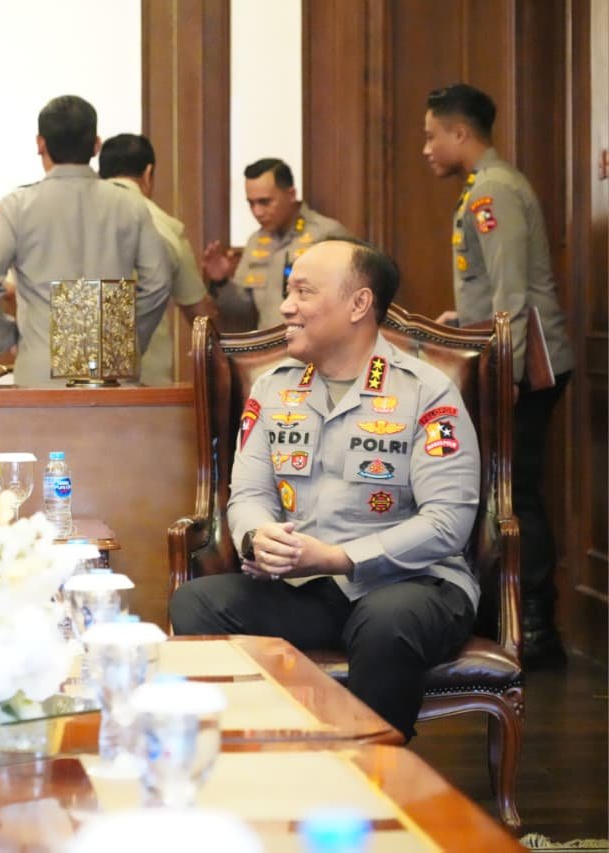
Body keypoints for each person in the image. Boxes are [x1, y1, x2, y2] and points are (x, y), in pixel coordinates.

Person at [170, 238, 479, 743]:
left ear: (359, 304)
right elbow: (248, 495)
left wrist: (338, 558)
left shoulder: (425, 391)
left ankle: (374, 772)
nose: (286, 307)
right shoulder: (274, 387)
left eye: (304, 292)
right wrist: (258, 538)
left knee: (386, 622)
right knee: (196, 603)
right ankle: (252, 756)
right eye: (288, 291)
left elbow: (447, 522)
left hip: (412, 585)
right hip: (307, 589)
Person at [422, 83, 576, 668]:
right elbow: (494, 288)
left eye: (432, 135)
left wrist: (504, 367)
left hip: (525, 363)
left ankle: (534, 626)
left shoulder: (492, 190)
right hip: (509, 353)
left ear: (460, 132)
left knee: (518, 490)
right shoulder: (485, 186)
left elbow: (511, 290)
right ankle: (513, 616)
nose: (427, 148)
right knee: (509, 487)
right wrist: (461, 320)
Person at [0, 95, 171, 387]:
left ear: (40, 143)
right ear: (96, 145)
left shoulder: (18, 207)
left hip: (41, 372)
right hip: (110, 371)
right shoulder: (130, 205)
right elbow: (159, 283)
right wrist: (128, 339)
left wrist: (4, 338)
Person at [98, 133, 219, 384]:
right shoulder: (165, 227)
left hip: (72, 378)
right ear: (148, 173)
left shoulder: (73, 221)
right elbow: (201, 315)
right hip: (146, 379)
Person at [203, 159, 348, 333]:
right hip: (269, 346)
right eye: (251, 203)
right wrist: (221, 281)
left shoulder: (326, 234)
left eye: (265, 202)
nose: (257, 212)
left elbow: (348, 299)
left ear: (291, 194)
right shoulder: (255, 242)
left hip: (315, 344)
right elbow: (242, 309)